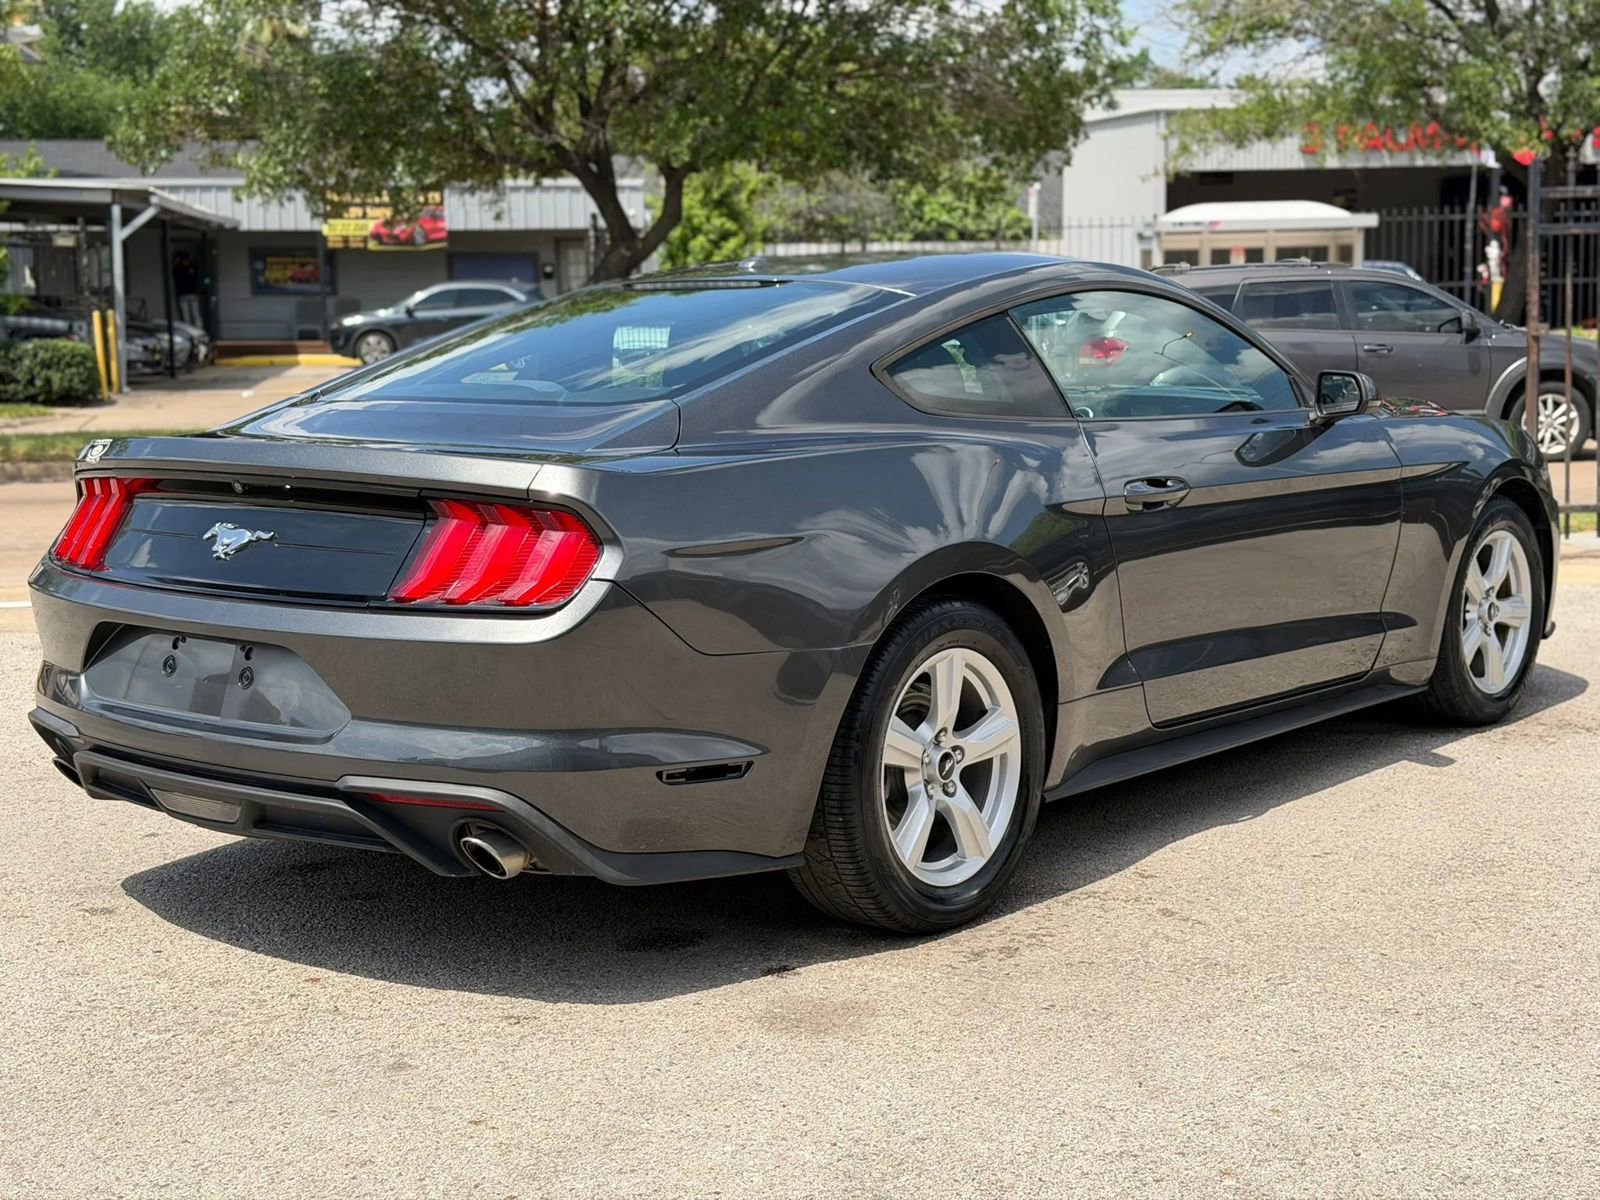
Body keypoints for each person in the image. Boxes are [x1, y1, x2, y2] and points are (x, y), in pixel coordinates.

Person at [172, 251, 203, 327]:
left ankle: (199, 330)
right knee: (186, 315)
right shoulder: (179, 269)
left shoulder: (191, 268)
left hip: (191, 294)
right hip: (184, 294)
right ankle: (190, 330)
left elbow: (196, 279)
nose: (186, 261)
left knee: (195, 313)